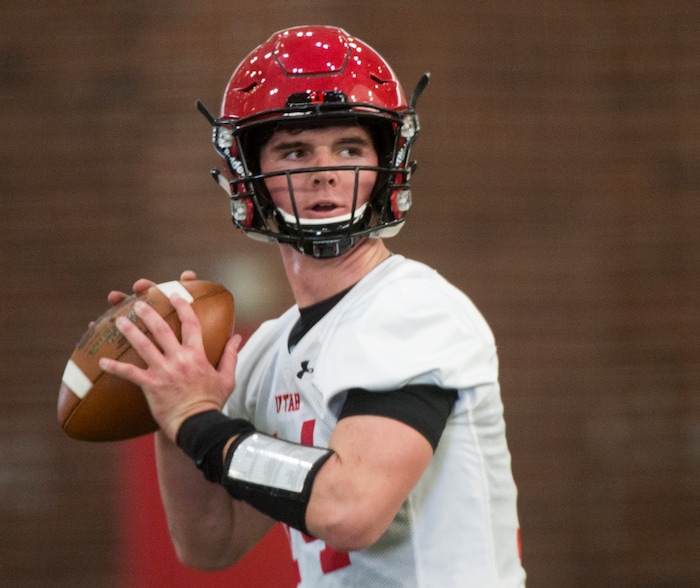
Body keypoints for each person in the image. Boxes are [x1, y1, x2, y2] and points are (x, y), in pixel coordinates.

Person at [101, 25, 526, 587]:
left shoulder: (416, 308)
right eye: (295, 150)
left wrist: (197, 420)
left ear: (384, 165)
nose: (325, 170)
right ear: (251, 176)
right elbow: (209, 542)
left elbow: (349, 511)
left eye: (349, 147)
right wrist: (168, 396)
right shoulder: (267, 352)